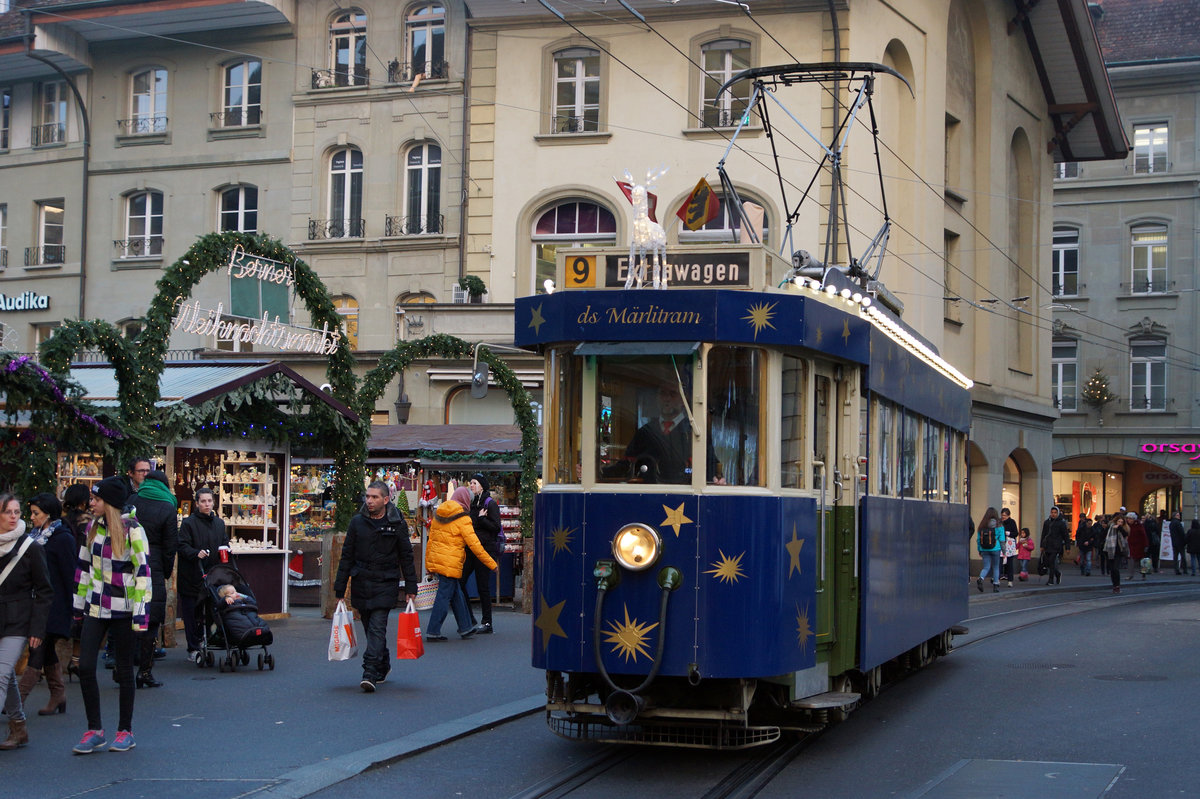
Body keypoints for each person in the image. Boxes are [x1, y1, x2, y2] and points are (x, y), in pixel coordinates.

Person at [73, 477, 149, 754]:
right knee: (84, 666)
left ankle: (125, 730)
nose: (91, 503)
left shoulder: (134, 530)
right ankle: (94, 729)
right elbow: (83, 567)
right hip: (96, 606)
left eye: (96, 499)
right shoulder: (92, 527)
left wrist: (140, 615)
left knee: (124, 669)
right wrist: (78, 605)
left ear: (110, 503)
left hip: (124, 610)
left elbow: (143, 573)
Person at [333, 481, 417, 693]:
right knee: (370, 629)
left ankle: (369, 672)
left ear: (386, 499)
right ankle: (383, 663)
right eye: (368, 497)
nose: (369, 501)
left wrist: (410, 587)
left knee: (378, 628)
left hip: (385, 583)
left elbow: (406, 556)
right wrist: (340, 589)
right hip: (361, 582)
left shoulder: (397, 523)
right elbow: (346, 556)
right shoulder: (357, 523)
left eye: (374, 497)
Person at [0, 494, 53, 751]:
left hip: (18, 620)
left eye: (16, 511)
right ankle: (19, 727)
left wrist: (37, 628)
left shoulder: (30, 547)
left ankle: (17, 727)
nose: (13, 516)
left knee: (0, 674)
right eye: (7, 511)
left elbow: (44, 590)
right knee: (7, 675)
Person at [16, 493, 75, 717]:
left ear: (48, 515)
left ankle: (17, 699)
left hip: (55, 604)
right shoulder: (34, 537)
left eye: (36, 513)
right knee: (46, 648)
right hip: (37, 603)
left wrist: (72, 607)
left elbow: (70, 574)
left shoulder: (63, 538)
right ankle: (58, 694)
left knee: (37, 648)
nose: (31, 517)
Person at [426, 487, 497, 641]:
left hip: (439, 561)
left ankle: (465, 627)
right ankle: (433, 630)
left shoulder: (439, 513)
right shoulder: (463, 519)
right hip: (451, 563)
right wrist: (492, 564)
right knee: (443, 597)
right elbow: (475, 546)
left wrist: (428, 565)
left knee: (456, 593)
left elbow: (431, 541)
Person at [130, 469, 177, 689]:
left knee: (126, 616)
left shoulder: (132, 501)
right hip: (154, 566)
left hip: (129, 565)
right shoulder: (168, 507)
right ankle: (145, 671)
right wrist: (166, 572)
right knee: (151, 621)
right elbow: (170, 546)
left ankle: (123, 670)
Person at [175, 487, 228, 662]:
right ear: (197, 503)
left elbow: (224, 543)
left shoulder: (219, 523)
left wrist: (226, 550)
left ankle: (209, 643)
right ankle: (194, 648)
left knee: (212, 612)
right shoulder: (189, 523)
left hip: (213, 576)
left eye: (209, 501)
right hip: (192, 577)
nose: (207, 504)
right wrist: (195, 553)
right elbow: (182, 546)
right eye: (203, 501)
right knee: (192, 615)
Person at [460, 473, 502, 635]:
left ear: (482, 486)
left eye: (474, 483)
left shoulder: (489, 504)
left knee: (482, 586)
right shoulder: (471, 503)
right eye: (470, 483)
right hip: (471, 549)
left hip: (484, 549)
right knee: (460, 581)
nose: (471, 485)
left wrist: (483, 520)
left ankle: (487, 622)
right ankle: (469, 617)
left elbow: (496, 527)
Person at [59, 484, 92, 683]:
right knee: (82, 619)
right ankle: (76, 660)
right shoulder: (88, 524)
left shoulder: (61, 523)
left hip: (64, 574)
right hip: (82, 574)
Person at [975, 506, 1004, 593]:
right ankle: (995, 585)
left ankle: (981, 578)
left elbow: (978, 540)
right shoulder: (999, 525)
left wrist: (979, 550)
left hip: (984, 549)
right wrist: (1004, 551)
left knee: (986, 567)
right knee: (996, 567)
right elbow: (1002, 539)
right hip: (996, 548)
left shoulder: (982, 525)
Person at [1040, 506, 1068, 586]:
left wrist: (1067, 547)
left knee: (1052, 561)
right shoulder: (1047, 522)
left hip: (1056, 546)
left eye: (1055, 513)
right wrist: (1041, 545)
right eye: (1052, 512)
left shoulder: (1061, 523)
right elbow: (1043, 534)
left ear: (1058, 513)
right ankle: (1057, 573)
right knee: (1048, 562)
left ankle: (1051, 580)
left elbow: (1065, 535)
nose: (1053, 514)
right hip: (1047, 545)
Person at [1105, 513, 1129, 594]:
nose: (1120, 523)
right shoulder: (1111, 527)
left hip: (1118, 551)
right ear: (1116, 521)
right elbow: (1104, 535)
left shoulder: (1123, 529)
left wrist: (1119, 528)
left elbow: (1126, 534)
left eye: (1121, 522)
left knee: (1115, 568)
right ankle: (1114, 586)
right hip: (1110, 550)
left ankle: (1117, 585)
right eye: (1118, 521)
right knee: (1112, 570)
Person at [1125, 512, 1148, 581]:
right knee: (1130, 560)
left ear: (1133, 519)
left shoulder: (1139, 525)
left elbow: (1144, 536)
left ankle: (1144, 574)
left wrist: (1146, 545)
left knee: (1142, 562)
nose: (1128, 520)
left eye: (1130, 519)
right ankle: (1130, 575)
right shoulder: (1127, 526)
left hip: (1140, 546)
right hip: (1131, 546)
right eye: (1128, 518)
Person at [1000, 508, 1019, 585]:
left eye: (1005, 515)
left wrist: (1008, 533)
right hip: (1001, 543)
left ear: (1008, 515)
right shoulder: (1000, 522)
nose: (1003, 517)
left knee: (1010, 562)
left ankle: (1010, 580)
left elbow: (1016, 533)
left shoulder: (1012, 522)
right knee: (1000, 561)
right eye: (1002, 515)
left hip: (1009, 545)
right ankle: (998, 578)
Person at [1169, 511, 1186, 575]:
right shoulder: (1178, 523)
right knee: (1183, 556)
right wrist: (1184, 540)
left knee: (1175, 557)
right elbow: (1182, 533)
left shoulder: (1171, 523)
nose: (1179, 516)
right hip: (1180, 542)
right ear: (1175, 516)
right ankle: (1184, 569)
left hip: (1174, 542)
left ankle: (1176, 570)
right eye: (1177, 515)